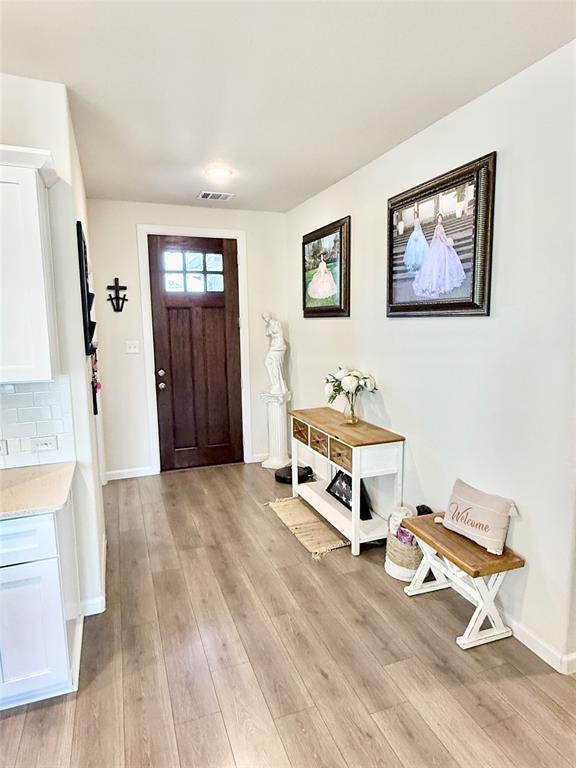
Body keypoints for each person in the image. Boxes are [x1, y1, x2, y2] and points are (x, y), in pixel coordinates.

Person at [413, 213, 465, 298]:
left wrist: (447, 240)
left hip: (443, 244)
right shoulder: (437, 227)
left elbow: (444, 235)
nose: (440, 220)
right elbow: (439, 236)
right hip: (438, 245)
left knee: (447, 260)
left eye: (441, 219)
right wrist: (445, 241)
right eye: (439, 218)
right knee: (437, 263)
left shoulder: (441, 227)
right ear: (437, 220)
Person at [262, 312, 288, 394]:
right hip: (274, 347)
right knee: (267, 362)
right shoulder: (269, 326)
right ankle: (275, 383)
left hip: (279, 347)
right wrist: (267, 326)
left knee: (276, 365)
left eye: (266, 316)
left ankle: (278, 384)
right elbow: (267, 333)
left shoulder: (276, 324)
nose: (266, 318)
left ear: (269, 316)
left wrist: (270, 329)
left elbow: (276, 332)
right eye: (264, 317)